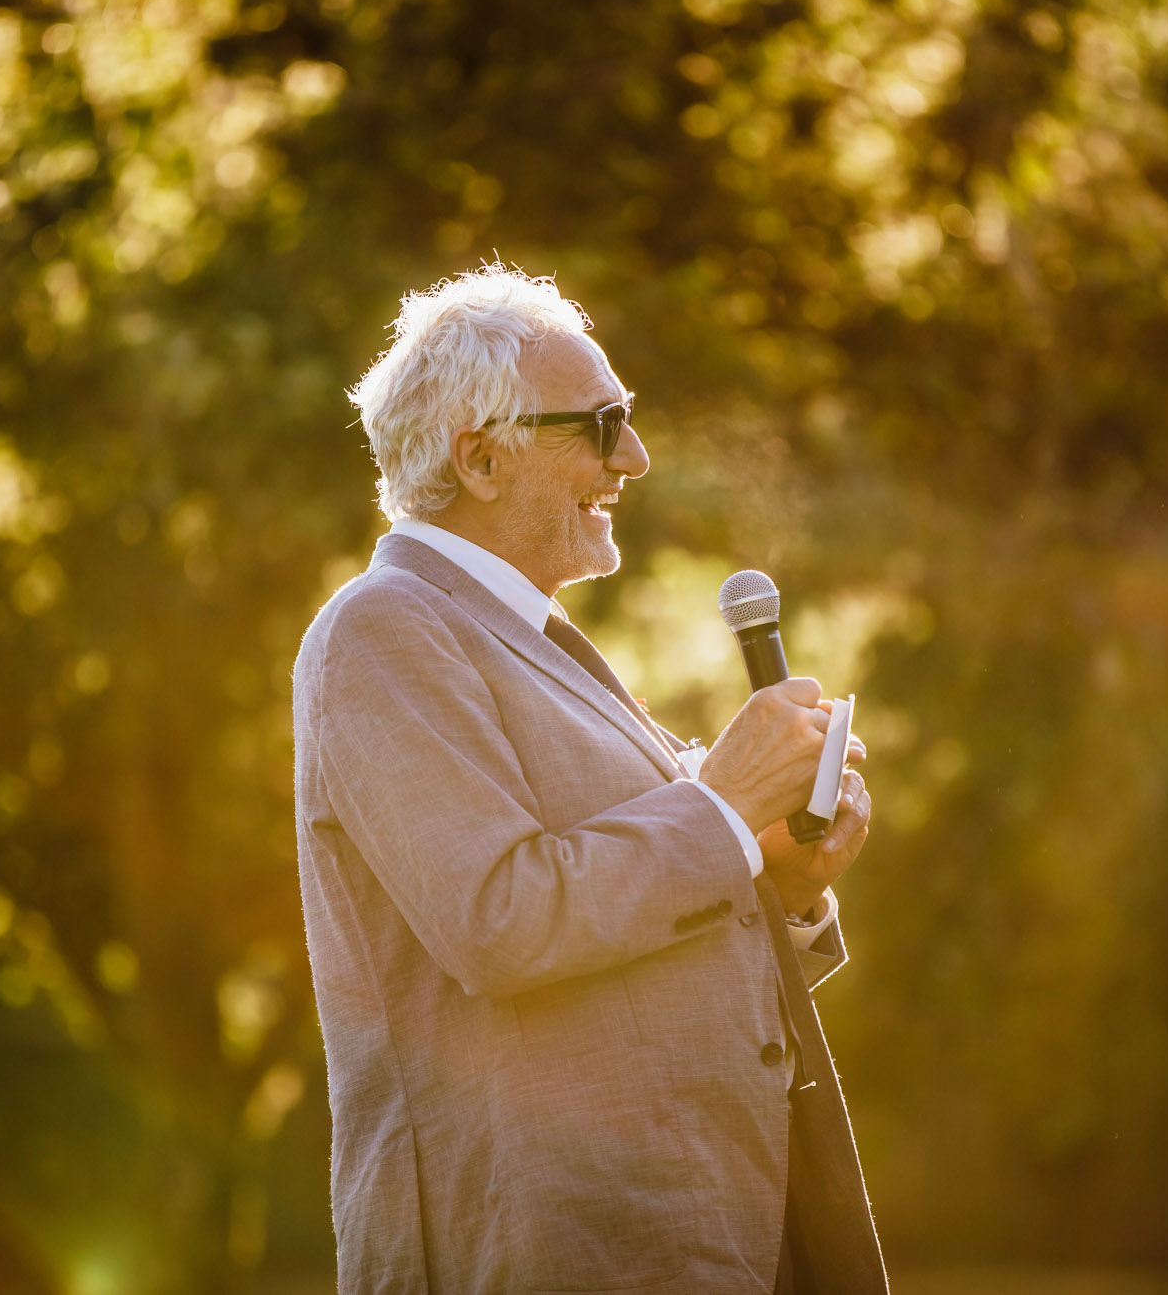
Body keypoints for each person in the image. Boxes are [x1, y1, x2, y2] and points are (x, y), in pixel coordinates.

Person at [292, 264, 886, 1292]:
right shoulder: (379, 629)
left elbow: (634, 925)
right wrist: (720, 806)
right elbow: (499, 914)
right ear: (479, 457)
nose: (636, 457)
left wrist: (773, 877)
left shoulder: (536, 640)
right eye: (602, 425)